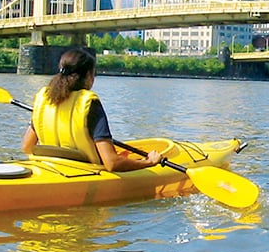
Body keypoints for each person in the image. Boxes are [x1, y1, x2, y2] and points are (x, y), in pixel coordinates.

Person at [21, 47, 163, 171]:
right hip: (85, 170)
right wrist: (149, 162)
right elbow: (112, 163)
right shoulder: (89, 104)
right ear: (89, 76)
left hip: (50, 166)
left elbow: (27, 147)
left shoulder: (45, 98)